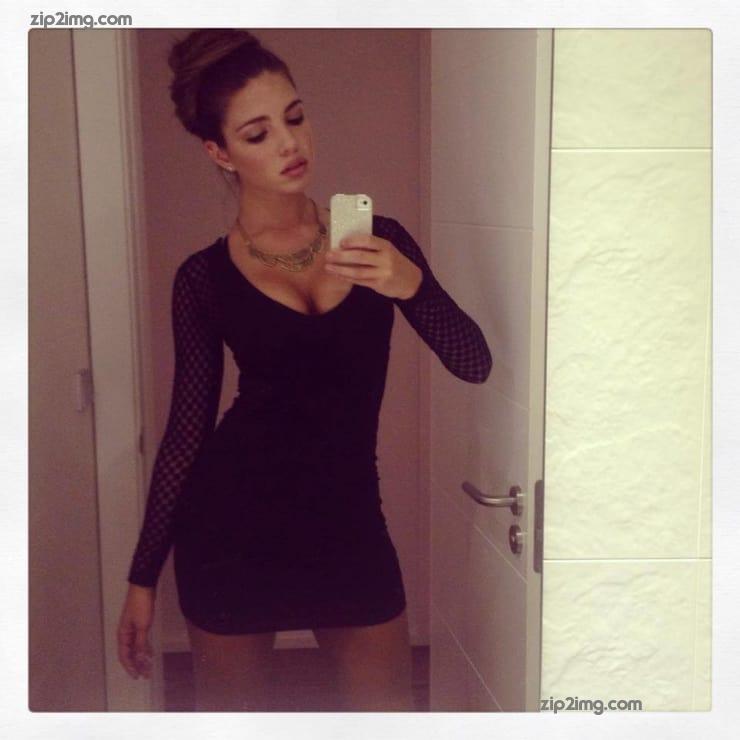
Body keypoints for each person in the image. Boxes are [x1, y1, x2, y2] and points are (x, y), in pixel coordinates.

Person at [116, 28, 493, 712]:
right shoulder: (203, 278)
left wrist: (413, 286)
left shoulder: (380, 240)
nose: (290, 143)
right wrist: (142, 578)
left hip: (349, 524)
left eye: (295, 117)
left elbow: (474, 363)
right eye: (258, 133)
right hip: (230, 529)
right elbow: (185, 435)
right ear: (219, 151)